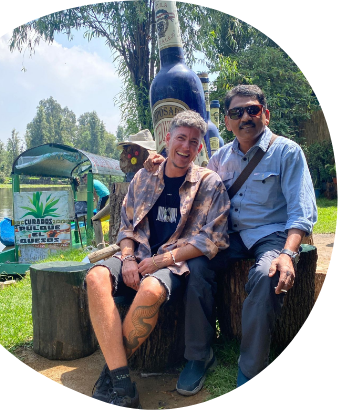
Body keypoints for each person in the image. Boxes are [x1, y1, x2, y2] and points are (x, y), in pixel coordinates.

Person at [145, 84, 317, 394]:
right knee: (196, 268)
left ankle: (252, 367)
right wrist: (161, 161)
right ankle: (199, 356)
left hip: (271, 234)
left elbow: (301, 214)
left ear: (265, 114)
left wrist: (288, 254)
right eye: (236, 112)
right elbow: (194, 180)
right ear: (227, 122)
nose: (245, 117)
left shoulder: (287, 151)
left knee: (267, 275)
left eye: (252, 110)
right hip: (228, 236)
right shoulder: (220, 158)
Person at [85, 110, 230, 408]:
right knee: (95, 277)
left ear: (200, 148)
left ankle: (113, 376)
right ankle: (124, 385)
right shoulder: (144, 176)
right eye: (180, 138)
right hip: (135, 255)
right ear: (168, 139)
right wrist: (126, 258)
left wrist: (160, 262)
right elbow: (126, 226)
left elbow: (211, 239)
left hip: (173, 263)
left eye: (193, 142)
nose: (186, 147)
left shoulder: (209, 183)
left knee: (150, 289)